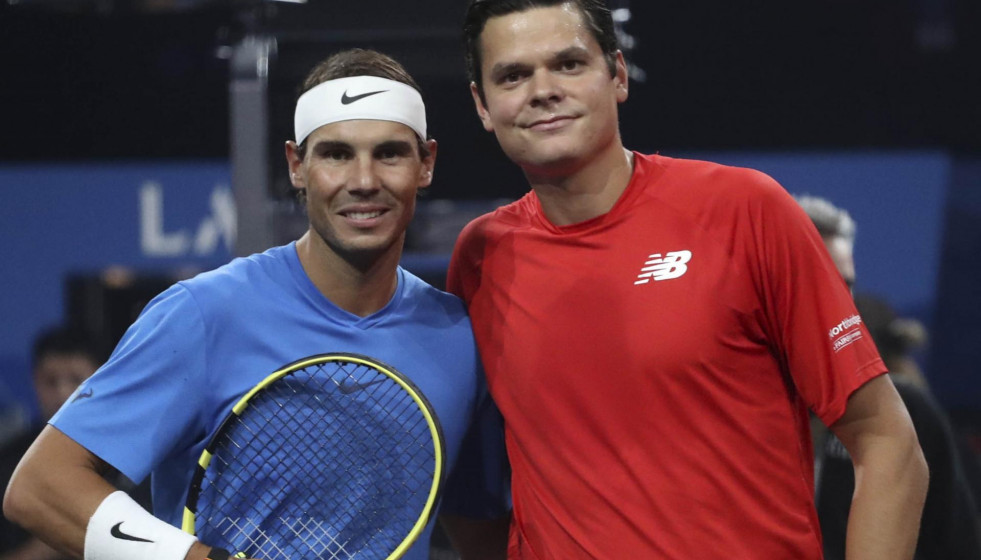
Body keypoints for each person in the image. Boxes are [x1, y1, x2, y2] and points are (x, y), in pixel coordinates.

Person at [445, 1, 929, 558]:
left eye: (569, 64)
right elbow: (473, 485)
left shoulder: (746, 210)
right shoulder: (481, 256)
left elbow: (887, 441)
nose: (543, 89)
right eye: (513, 75)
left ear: (617, 75)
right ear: (483, 105)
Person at [4, 48, 508, 560]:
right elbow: (42, 487)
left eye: (389, 153)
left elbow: (479, 531)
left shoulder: (457, 339)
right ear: (296, 166)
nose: (363, 180)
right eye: (336, 153)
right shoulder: (202, 315)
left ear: (426, 164)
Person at [796, 193, 981, 560]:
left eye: (846, 284)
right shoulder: (727, 410)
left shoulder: (907, 411)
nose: (840, 302)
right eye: (824, 283)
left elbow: (956, 545)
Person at [1, 327, 106, 560]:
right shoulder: (7, 461)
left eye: (76, 380)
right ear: (34, 381)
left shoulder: (134, 462)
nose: (63, 392)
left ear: (101, 379)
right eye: (51, 381)